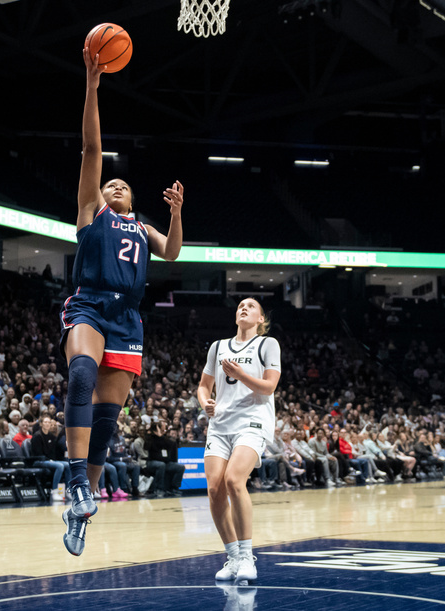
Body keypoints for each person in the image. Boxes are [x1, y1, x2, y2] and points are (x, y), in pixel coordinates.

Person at [58, 47, 184, 556]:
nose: (115, 185)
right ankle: (75, 483)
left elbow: (172, 252)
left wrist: (175, 213)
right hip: (89, 305)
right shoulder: (92, 213)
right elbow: (92, 150)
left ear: (133, 201)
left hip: (127, 319)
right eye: (111, 182)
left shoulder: (144, 227)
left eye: (123, 185)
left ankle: (80, 510)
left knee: (107, 422)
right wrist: (92, 87)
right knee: (82, 375)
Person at [197, 297, 281, 584]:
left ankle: (247, 556)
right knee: (213, 488)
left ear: (260, 319)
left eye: (251, 306)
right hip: (219, 424)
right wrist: (204, 402)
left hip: (253, 421)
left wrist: (242, 374)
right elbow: (203, 386)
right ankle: (232, 557)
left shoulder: (267, 344)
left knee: (234, 480)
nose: (244, 308)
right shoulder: (218, 347)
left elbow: (269, 387)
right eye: (240, 305)